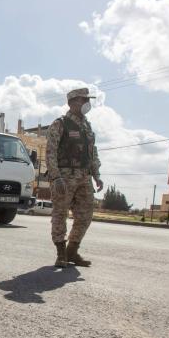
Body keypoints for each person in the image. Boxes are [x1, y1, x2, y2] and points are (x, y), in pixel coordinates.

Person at [45, 88, 104, 268]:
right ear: (71, 102)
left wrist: (96, 175)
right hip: (64, 177)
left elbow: (92, 153)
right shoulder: (60, 124)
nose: (87, 103)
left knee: (86, 215)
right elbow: (50, 152)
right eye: (83, 100)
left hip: (84, 177)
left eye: (88, 100)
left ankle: (72, 251)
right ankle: (61, 253)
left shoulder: (87, 126)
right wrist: (55, 177)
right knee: (60, 214)